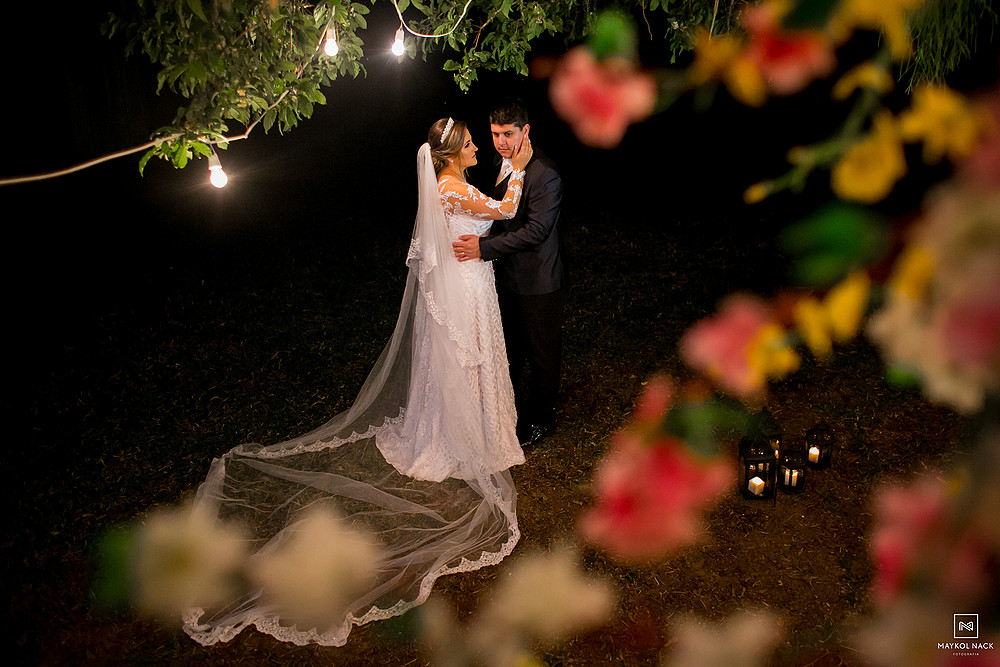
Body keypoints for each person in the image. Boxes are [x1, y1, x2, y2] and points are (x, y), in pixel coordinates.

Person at [181, 118, 533, 648]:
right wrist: (519, 169)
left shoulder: (449, 184)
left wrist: (504, 171)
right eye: (472, 142)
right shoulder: (452, 187)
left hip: (470, 279)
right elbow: (505, 211)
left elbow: (481, 218)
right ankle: (466, 434)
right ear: (453, 154)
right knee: (468, 361)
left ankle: (460, 424)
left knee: (464, 364)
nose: (480, 145)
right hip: (468, 287)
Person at [453, 99, 564, 448]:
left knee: (542, 353)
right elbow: (498, 213)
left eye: (508, 134)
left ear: (525, 131)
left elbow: (535, 232)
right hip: (504, 280)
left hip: (538, 281)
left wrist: (483, 248)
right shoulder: (498, 166)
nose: (500, 142)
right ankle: (509, 414)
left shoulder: (546, 175)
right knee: (510, 349)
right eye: (495, 134)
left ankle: (542, 419)